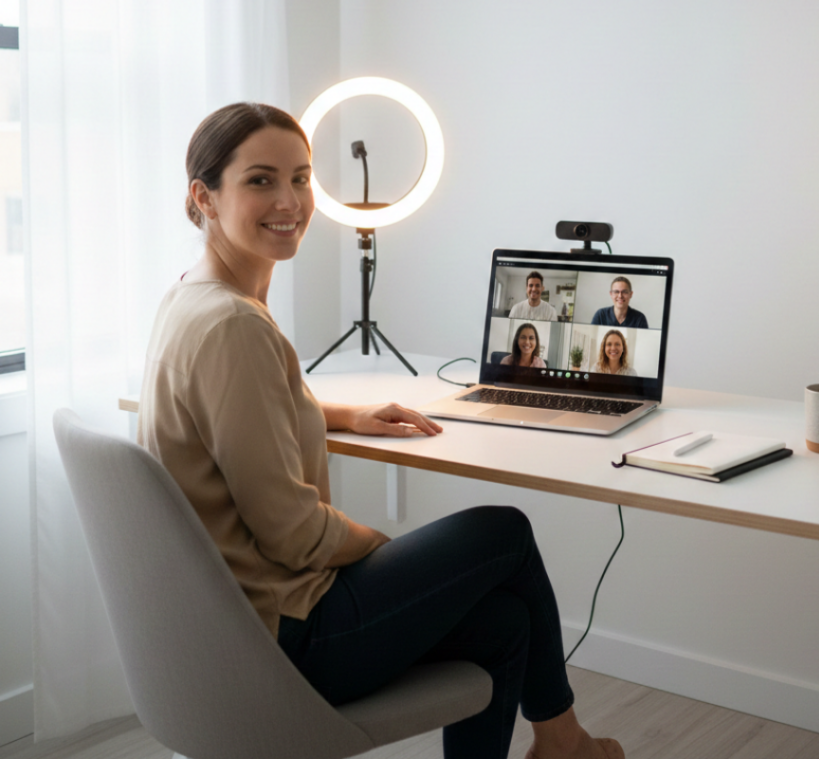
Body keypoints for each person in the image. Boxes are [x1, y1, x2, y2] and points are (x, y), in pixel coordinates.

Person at [136, 103, 623, 759]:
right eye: (260, 180)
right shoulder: (235, 327)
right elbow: (293, 531)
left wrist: (342, 415)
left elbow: (241, 413)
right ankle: (565, 741)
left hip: (232, 624)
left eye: (303, 178)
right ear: (205, 196)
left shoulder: (194, 297)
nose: (291, 200)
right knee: (501, 532)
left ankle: (561, 743)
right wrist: (391, 552)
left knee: (507, 621)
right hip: (286, 637)